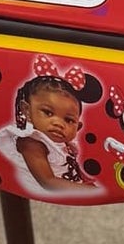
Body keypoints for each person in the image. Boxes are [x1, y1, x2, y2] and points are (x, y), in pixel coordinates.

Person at [8, 58, 92, 190]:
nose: (58, 123)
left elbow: (74, 168)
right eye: (48, 112)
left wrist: (87, 181)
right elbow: (48, 182)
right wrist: (91, 190)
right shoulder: (32, 143)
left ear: (78, 127)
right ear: (27, 110)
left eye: (69, 120)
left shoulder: (66, 146)